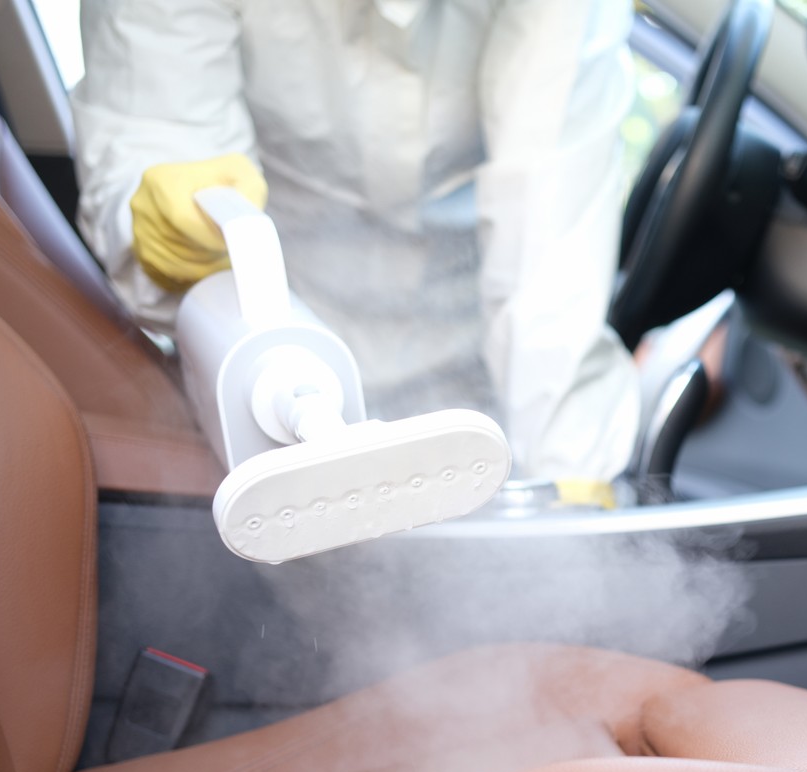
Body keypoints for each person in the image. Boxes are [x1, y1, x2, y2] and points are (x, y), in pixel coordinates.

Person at [70, 0, 642, 487]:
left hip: (482, 371)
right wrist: (179, 242)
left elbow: (548, 230)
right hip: (280, 361)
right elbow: (158, 135)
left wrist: (575, 478)